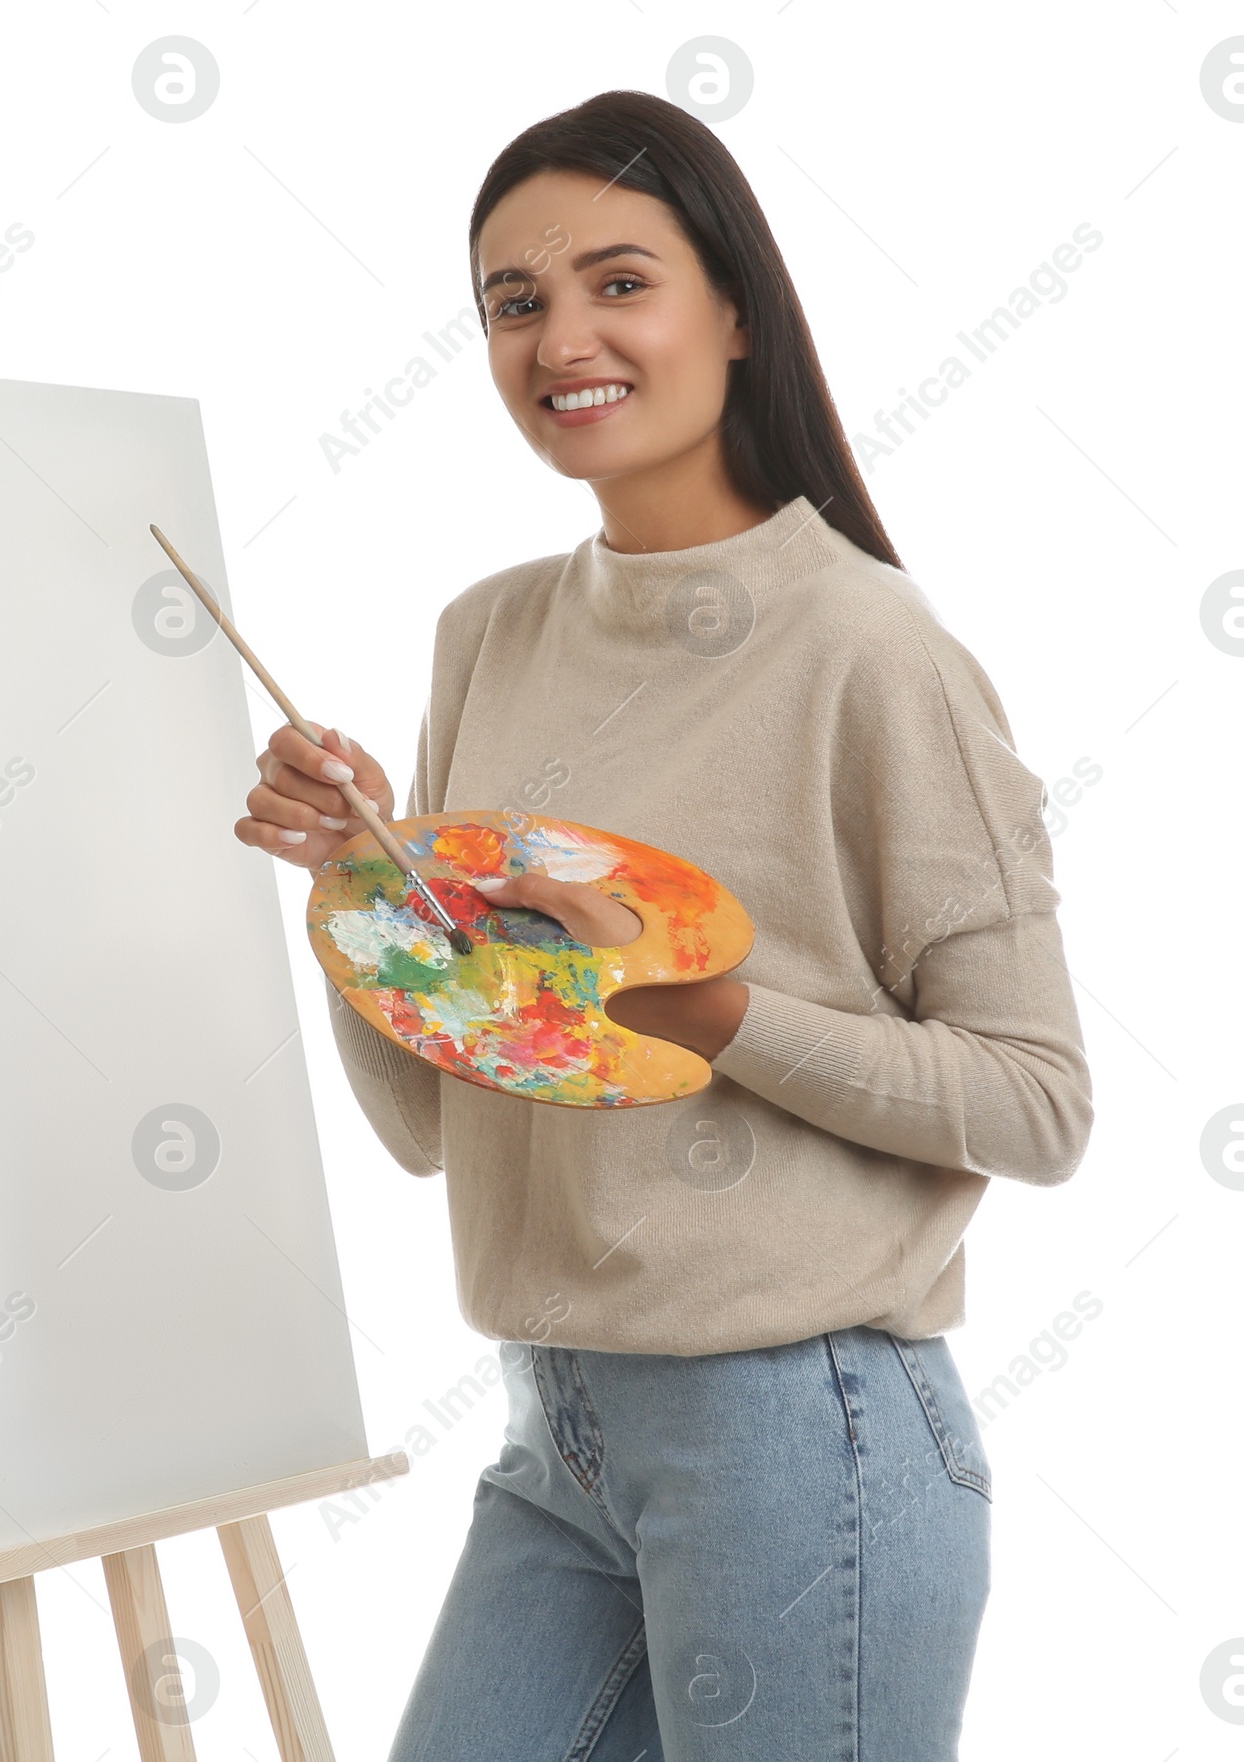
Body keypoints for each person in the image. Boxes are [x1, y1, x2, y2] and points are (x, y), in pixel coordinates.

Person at [234, 89, 1092, 1762]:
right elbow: (432, 1120)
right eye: (514, 301)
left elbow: (1039, 1103)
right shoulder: (485, 636)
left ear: (737, 312)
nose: (564, 337)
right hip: (555, 1428)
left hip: (804, 1432)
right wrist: (358, 890)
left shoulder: (870, 650)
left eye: (619, 280)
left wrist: (706, 1011)